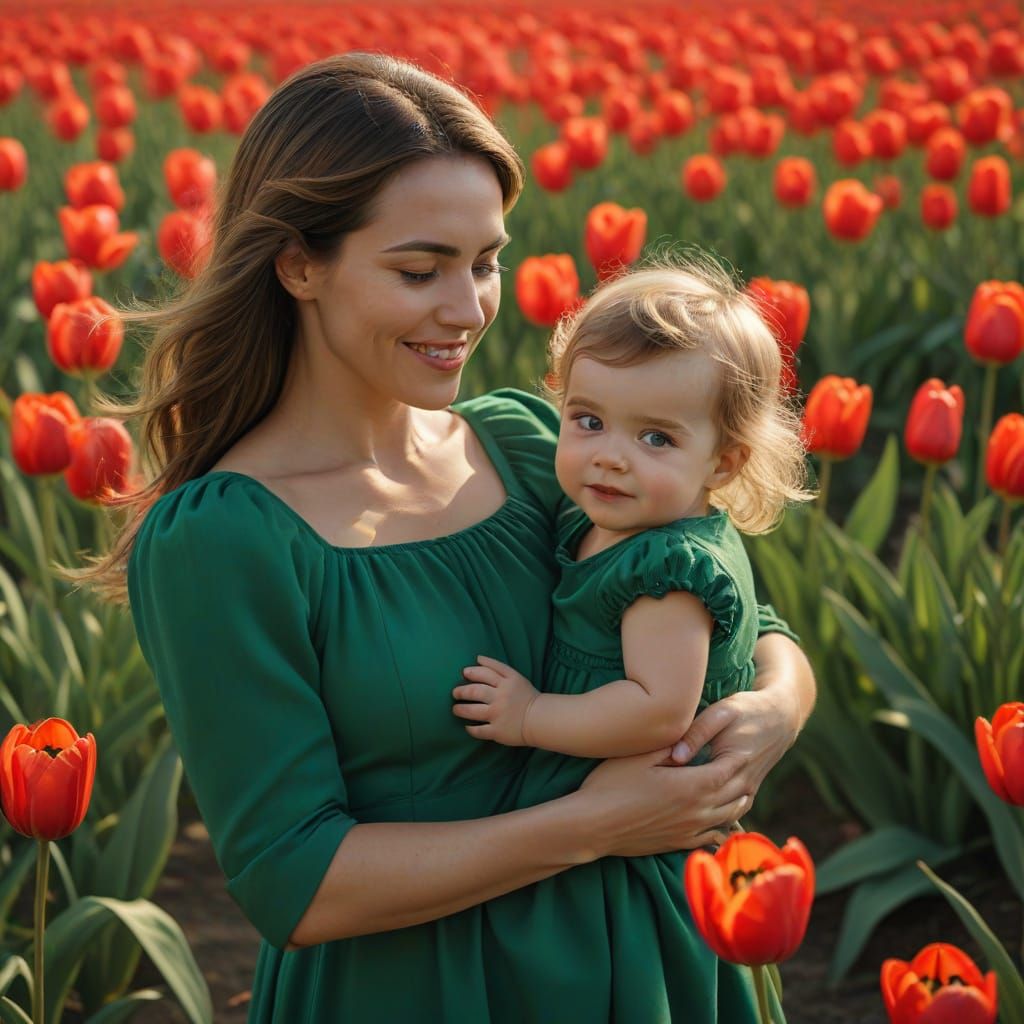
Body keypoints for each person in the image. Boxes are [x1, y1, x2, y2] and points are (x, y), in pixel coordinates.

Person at [92, 53, 815, 1023]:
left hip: (647, 963)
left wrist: (774, 710)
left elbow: (732, 607)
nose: (469, 308)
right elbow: (295, 881)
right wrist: (594, 823)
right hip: (412, 988)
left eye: (485, 262)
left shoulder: (528, 445)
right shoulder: (225, 540)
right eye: (419, 269)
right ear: (298, 264)